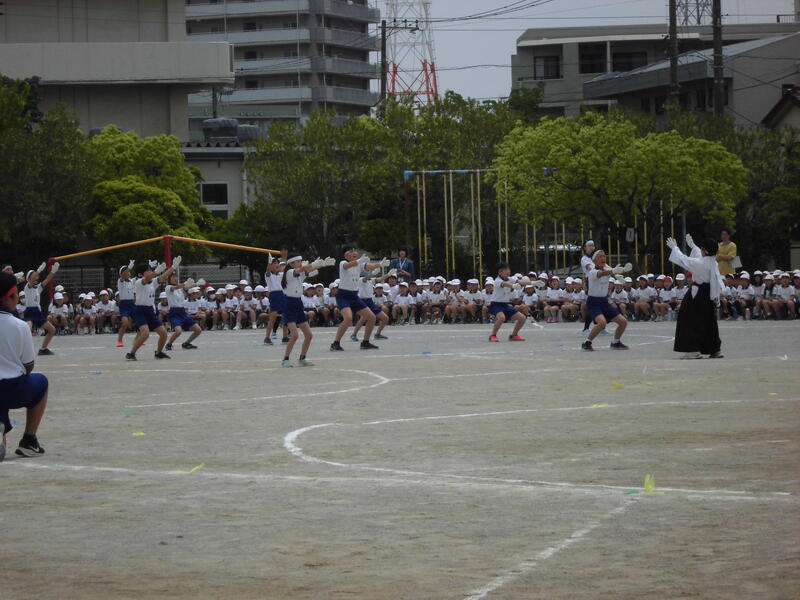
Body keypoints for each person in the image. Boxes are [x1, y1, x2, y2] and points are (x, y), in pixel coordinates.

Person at [0, 272, 49, 460]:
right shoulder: (20, 326)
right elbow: (29, 366)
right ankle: (28, 440)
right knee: (41, 382)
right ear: (10, 297)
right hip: (13, 388)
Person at [667, 234, 723, 359]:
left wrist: (675, 248)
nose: (700, 250)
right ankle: (715, 349)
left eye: (702, 248)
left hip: (698, 293)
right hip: (708, 293)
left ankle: (692, 349)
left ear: (705, 251)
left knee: (689, 319)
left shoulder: (702, 263)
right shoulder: (713, 262)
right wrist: (693, 246)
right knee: (709, 321)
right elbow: (700, 257)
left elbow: (684, 260)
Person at [331, 248, 387, 351]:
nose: (354, 252)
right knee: (348, 318)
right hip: (343, 295)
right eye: (350, 251)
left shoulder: (359, 264)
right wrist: (359, 261)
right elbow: (348, 265)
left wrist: (380, 264)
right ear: (346, 255)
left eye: (354, 251)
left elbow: (369, 266)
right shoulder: (343, 263)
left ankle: (365, 342)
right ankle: (335, 343)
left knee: (372, 317)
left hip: (354, 296)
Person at [126, 257, 179, 361]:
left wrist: (173, 267)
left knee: (163, 333)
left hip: (150, 310)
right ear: (140, 274)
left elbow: (163, 276)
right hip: (139, 311)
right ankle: (131, 353)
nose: (150, 272)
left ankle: (158, 353)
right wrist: (156, 272)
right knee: (145, 333)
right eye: (148, 271)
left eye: (150, 270)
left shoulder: (153, 282)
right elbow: (147, 279)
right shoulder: (139, 282)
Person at [280, 255, 327, 367]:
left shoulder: (298, 274)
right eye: (298, 261)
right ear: (291, 264)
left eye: (301, 261)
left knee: (309, 335)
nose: (300, 262)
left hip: (298, 303)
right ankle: (285, 359)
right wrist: (313, 264)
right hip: (289, 304)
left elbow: (308, 270)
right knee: (295, 335)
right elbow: (302, 269)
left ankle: (302, 358)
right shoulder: (289, 272)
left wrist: (321, 265)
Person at [581, 250, 629, 351]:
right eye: (600, 256)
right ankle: (587, 343)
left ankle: (616, 342)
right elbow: (602, 273)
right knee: (602, 323)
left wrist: (622, 271)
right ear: (594, 260)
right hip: (593, 302)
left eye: (604, 256)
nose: (603, 258)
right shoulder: (592, 272)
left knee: (623, 322)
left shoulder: (607, 269)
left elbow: (610, 271)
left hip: (604, 301)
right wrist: (614, 271)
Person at [22, 261, 60, 355]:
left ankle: (43, 349)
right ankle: (21, 351)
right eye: (33, 276)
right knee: (27, 330)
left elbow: (47, 280)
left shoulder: (38, 288)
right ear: (28, 279)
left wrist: (53, 272)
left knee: (52, 330)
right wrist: (39, 270)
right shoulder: (27, 287)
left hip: (37, 313)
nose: (36, 277)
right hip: (29, 312)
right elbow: (31, 280)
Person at [487, 263, 527, 342]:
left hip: (505, 305)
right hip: (495, 304)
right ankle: (493, 335)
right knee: (502, 318)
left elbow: (521, 281)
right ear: (500, 272)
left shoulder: (510, 278)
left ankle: (514, 335)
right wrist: (513, 286)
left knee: (522, 318)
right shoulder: (497, 280)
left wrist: (534, 283)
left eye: (508, 269)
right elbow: (505, 284)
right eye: (505, 270)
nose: (508, 271)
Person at [164, 272, 204, 351]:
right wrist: (185, 284)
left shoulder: (180, 288)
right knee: (178, 331)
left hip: (182, 312)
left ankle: (186, 343)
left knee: (198, 330)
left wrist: (197, 284)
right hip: (174, 312)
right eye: (173, 277)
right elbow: (176, 287)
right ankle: (169, 344)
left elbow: (187, 287)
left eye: (176, 277)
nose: (175, 278)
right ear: (169, 279)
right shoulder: (168, 287)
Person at [116, 260, 136, 347]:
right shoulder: (120, 281)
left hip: (132, 303)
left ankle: (138, 339)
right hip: (124, 304)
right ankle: (119, 340)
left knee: (140, 322)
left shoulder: (132, 281)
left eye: (128, 271)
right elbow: (123, 276)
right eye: (125, 272)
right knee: (124, 323)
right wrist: (129, 267)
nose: (127, 273)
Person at [580, 240, 595, 335]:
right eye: (589, 245)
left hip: (599, 282)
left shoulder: (597, 257)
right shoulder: (584, 258)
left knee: (601, 304)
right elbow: (591, 268)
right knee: (592, 304)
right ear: (585, 248)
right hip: (591, 282)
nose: (591, 247)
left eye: (593, 245)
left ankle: (601, 327)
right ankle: (586, 329)